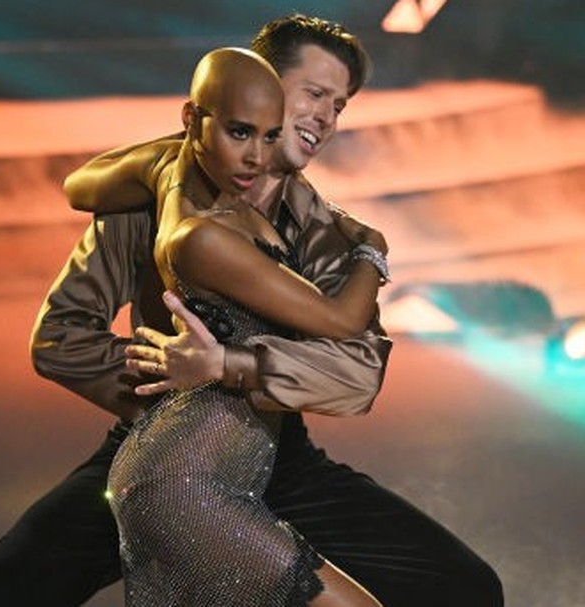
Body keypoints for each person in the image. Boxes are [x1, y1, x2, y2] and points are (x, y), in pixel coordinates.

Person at [0, 14, 502, 607]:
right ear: (257, 83)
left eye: (339, 105)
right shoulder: (148, 203)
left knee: (465, 589)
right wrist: (170, 391)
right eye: (313, 94)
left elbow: (359, 374)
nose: (325, 117)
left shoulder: (331, 234)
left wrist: (229, 368)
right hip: (160, 452)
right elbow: (62, 337)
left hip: (283, 459)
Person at [95, 46, 383, 606]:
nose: (255, 154)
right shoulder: (203, 237)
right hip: (184, 483)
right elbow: (341, 323)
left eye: (269, 136)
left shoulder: (219, 196)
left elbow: (83, 183)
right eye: (238, 132)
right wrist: (374, 251)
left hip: (215, 475)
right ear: (191, 120)